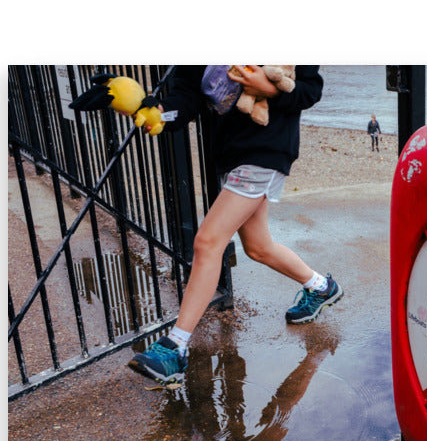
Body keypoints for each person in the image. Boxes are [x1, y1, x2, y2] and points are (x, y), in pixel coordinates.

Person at [128, 65, 342, 384]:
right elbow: (188, 94)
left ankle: (175, 347)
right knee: (258, 248)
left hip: (268, 146)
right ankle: (321, 287)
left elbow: (310, 88)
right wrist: (161, 112)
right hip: (232, 152)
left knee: (208, 242)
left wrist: (269, 90)